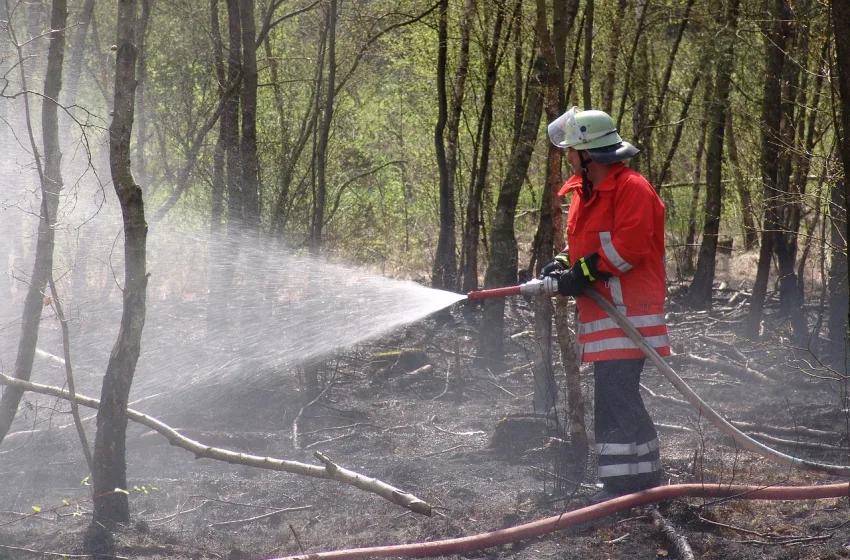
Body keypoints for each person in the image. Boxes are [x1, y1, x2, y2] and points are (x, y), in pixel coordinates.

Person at [541, 107, 671, 503]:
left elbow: (629, 246)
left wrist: (581, 273)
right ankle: (634, 483)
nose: (566, 157)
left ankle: (627, 487)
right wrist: (565, 262)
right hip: (604, 315)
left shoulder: (632, 188)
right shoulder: (585, 193)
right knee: (616, 398)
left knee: (617, 398)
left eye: (571, 150)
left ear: (589, 152)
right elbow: (586, 244)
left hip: (629, 312)